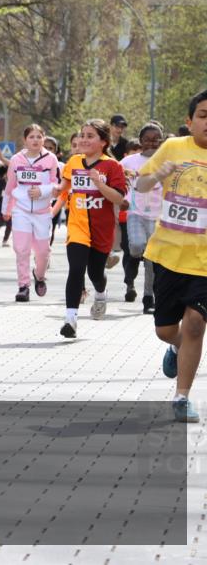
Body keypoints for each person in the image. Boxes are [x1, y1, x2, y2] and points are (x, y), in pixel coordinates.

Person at [134, 90, 207, 423]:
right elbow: (141, 186)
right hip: (167, 254)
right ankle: (176, 347)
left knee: (195, 324)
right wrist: (157, 176)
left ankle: (182, 397)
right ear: (190, 122)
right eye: (203, 116)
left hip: (203, 263)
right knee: (166, 330)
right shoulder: (174, 147)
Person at [58, 119, 128, 338]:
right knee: (76, 269)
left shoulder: (112, 166)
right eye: (82, 135)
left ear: (103, 142)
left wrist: (99, 184)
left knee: (95, 272)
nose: (84, 140)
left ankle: (100, 292)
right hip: (77, 225)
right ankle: (70, 319)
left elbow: (118, 198)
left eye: (90, 136)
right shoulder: (74, 161)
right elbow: (64, 186)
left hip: (101, 228)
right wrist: (51, 192)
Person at [2, 124, 61, 302]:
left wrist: (42, 191)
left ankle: (39, 276)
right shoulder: (16, 160)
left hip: (42, 213)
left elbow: (56, 185)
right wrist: (6, 209)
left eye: (39, 137)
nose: (35, 140)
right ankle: (23, 286)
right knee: (21, 249)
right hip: (21, 211)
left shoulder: (51, 159)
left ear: (44, 139)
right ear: (25, 140)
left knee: (43, 252)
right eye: (31, 137)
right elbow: (10, 185)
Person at [120, 123, 164, 314]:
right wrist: (122, 198)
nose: (151, 143)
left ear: (161, 142)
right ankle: (137, 255)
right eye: (147, 140)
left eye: (155, 140)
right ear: (140, 141)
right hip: (135, 213)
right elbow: (117, 179)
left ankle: (148, 298)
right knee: (137, 246)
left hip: (158, 217)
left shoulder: (167, 161)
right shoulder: (129, 162)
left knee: (151, 262)